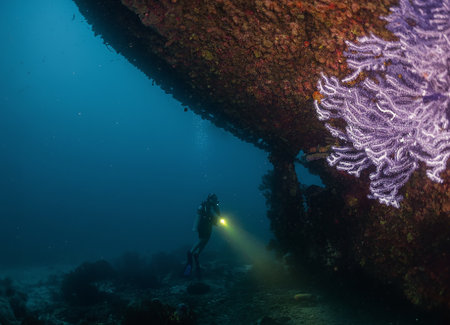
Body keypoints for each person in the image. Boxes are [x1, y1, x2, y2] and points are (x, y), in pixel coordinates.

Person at [184, 193, 221, 277]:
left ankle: (196, 256)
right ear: (210, 199)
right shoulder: (205, 206)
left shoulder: (215, 206)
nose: (215, 200)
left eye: (216, 198)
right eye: (214, 198)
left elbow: (217, 216)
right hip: (203, 226)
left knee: (205, 241)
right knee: (202, 240)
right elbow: (203, 216)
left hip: (208, 226)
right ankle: (190, 253)